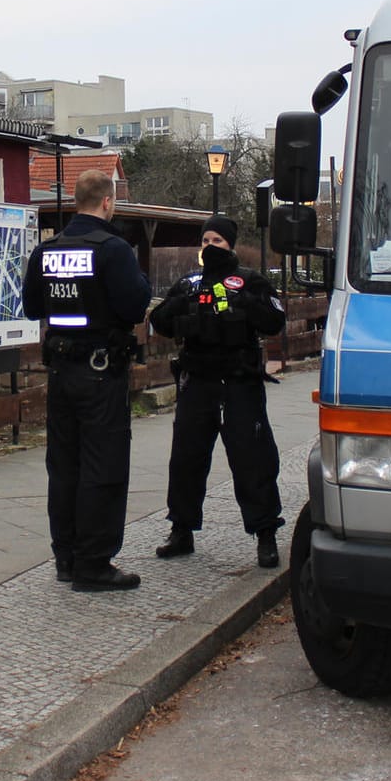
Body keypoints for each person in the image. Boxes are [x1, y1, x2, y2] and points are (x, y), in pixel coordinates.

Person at [22, 169, 152, 591]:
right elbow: (134, 306)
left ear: (76, 201)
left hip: (61, 372)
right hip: (100, 374)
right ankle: (93, 564)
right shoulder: (112, 249)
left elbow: (30, 307)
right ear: (107, 203)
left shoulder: (47, 251)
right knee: (103, 465)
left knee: (64, 466)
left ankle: (66, 557)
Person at [147, 214, 287, 569]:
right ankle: (181, 529)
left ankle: (265, 532)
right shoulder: (189, 282)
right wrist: (183, 305)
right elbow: (160, 321)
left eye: (218, 242)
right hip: (198, 382)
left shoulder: (250, 281)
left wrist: (242, 305)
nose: (210, 247)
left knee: (252, 459)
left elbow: (275, 321)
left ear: (231, 245)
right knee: (186, 459)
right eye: (206, 241)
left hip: (239, 383)